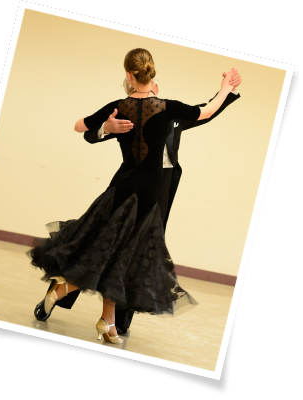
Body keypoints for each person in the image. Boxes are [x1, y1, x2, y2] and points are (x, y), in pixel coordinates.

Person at [28, 48, 240, 344]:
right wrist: (226, 88)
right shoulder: (167, 107)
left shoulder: (119, 105)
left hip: (128, 190)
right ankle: (64, 292)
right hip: (140, 193)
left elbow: (79, 125)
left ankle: (107, 321)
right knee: (112, 255)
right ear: (151, 74)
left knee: (117, 256)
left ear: (129, 74)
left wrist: (106, 122)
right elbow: (205, 111)